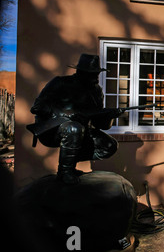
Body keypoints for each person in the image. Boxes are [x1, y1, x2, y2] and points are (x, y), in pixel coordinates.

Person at [27, 54, 122, 184]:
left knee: (109, 145)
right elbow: (37, 107)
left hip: (80, 133)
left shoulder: (96, 91)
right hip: (51, 130)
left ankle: (70, 164)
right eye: (92, 74)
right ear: (80, 72)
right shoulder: (60, 82)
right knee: (73, 128)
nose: (96, 77)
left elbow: (99, 124)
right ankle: (64, 172)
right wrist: (65, 114)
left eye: (97, 73)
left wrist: (109, 116)